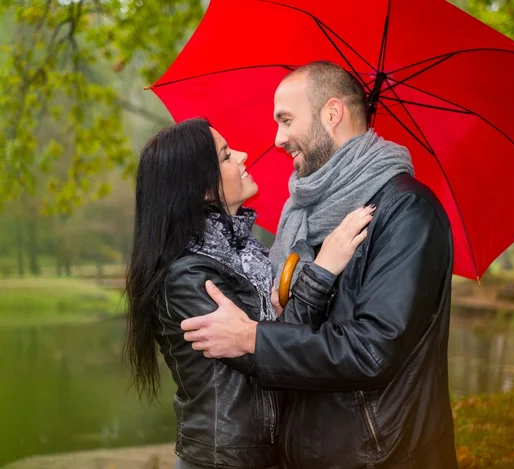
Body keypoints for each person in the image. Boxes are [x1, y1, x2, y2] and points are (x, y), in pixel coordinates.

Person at [181, 61, 459, 469]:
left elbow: (372, 350)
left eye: (286, 120)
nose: (278, 139)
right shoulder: (306, 215)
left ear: (332, 114)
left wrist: (253, 339)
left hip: (380, 457)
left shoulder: (406, 210)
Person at [122, 117, 373, 469]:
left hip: (267, 455)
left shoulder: (245, 254)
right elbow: (271, 354)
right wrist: (323, 271)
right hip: (226, 460)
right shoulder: (189, 277)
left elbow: (271, 338)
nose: (242, 156)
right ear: (200, 187)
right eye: (226, 156)